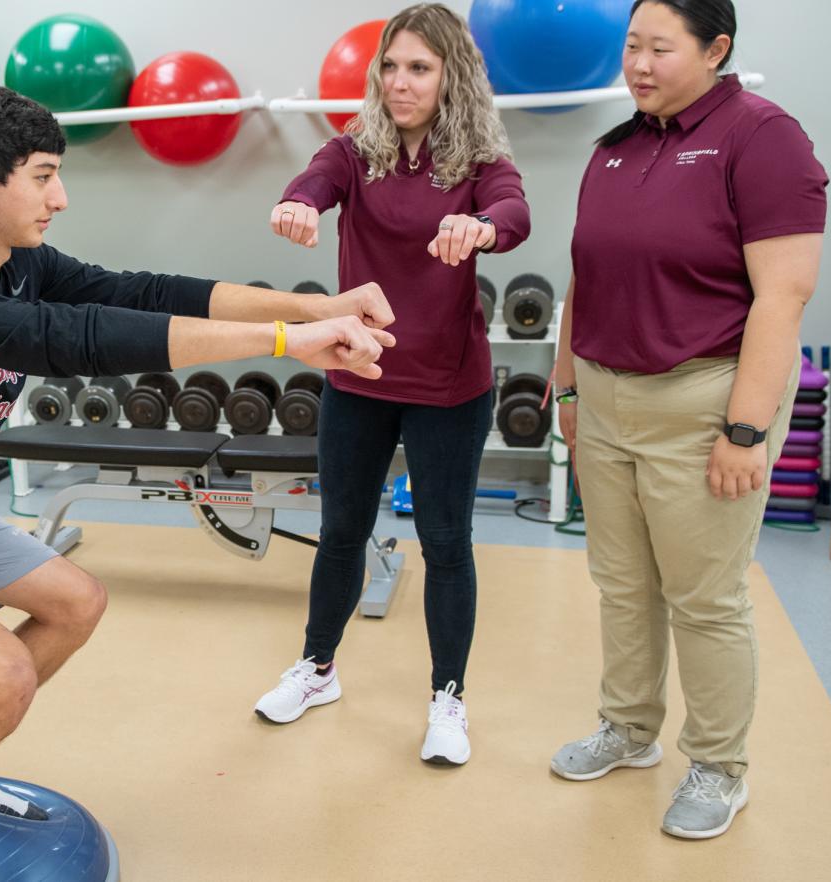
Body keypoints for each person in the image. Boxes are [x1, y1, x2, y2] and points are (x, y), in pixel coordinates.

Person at [0, 84, 397, 882]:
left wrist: (315, 305)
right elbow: (72, 339)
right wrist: (287, 341)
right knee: (1, 680)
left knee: (76, 600)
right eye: (43, 175)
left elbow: (145, 295)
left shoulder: (23, 266)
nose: (61, 196)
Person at [547, 0, 827, 840]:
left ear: (716, 49)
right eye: (631, 45)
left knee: (705, 599)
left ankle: (718, 765)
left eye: (659, 48)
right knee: (623, 585)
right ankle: (630, 729)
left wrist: (746, 429)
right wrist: (564, 387)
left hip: (700, 403)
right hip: (603, 399)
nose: (638, 63)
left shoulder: (762, 137)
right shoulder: (617, 145)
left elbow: (785, 293)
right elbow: (582, 279)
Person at [253, 2, 530, 766]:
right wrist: (297, 203)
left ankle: (449, 698)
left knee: (446, 544)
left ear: (451, 76)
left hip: (449, 387)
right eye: (392, 66)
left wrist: (483, 228)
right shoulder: (356, 149)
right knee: (341, 533)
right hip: (361, 377)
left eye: (420, 68)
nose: (400, 82)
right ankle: (317, 669)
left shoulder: (478, 162)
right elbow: (314, 178)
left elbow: (514, 209)